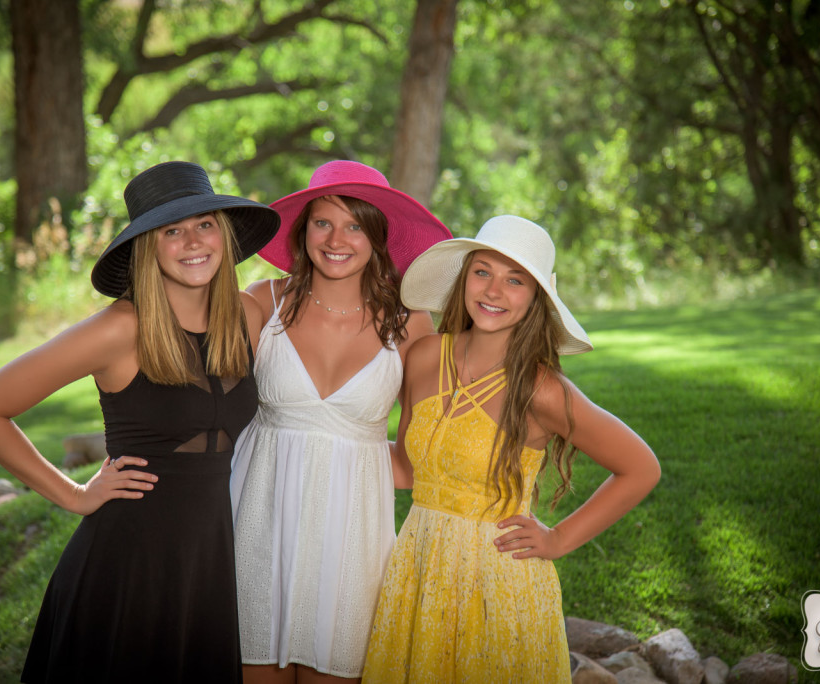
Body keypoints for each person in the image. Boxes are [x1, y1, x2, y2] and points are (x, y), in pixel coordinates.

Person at [0, 161, 280, 683]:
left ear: (224, 232)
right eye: (171, 230)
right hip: (129, 558)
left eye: (204, 224)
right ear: (147, 246)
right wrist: (73, 495)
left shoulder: (243, 316)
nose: (192, 241)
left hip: (209, 556)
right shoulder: (119, 329)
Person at [362, 215, 661, 683]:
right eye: (483, 272)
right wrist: (319, 449)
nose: (494, 291)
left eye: (515, 280)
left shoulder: (539, 389)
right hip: (418, 566)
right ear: (465, 279)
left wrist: (559, 538)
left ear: (536, 298)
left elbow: (641, 468)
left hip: (496, 578)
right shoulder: (423, 357)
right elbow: (408, 467)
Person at [229, 160, 453, 682]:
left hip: (354, 529)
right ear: (302, 229)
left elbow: (421, 453)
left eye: (355, 225)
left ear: (378, 237)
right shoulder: (262, 303)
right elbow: (196, 394)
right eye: (323, 222)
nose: (337, 239)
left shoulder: (411, 324)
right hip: (258, 518)